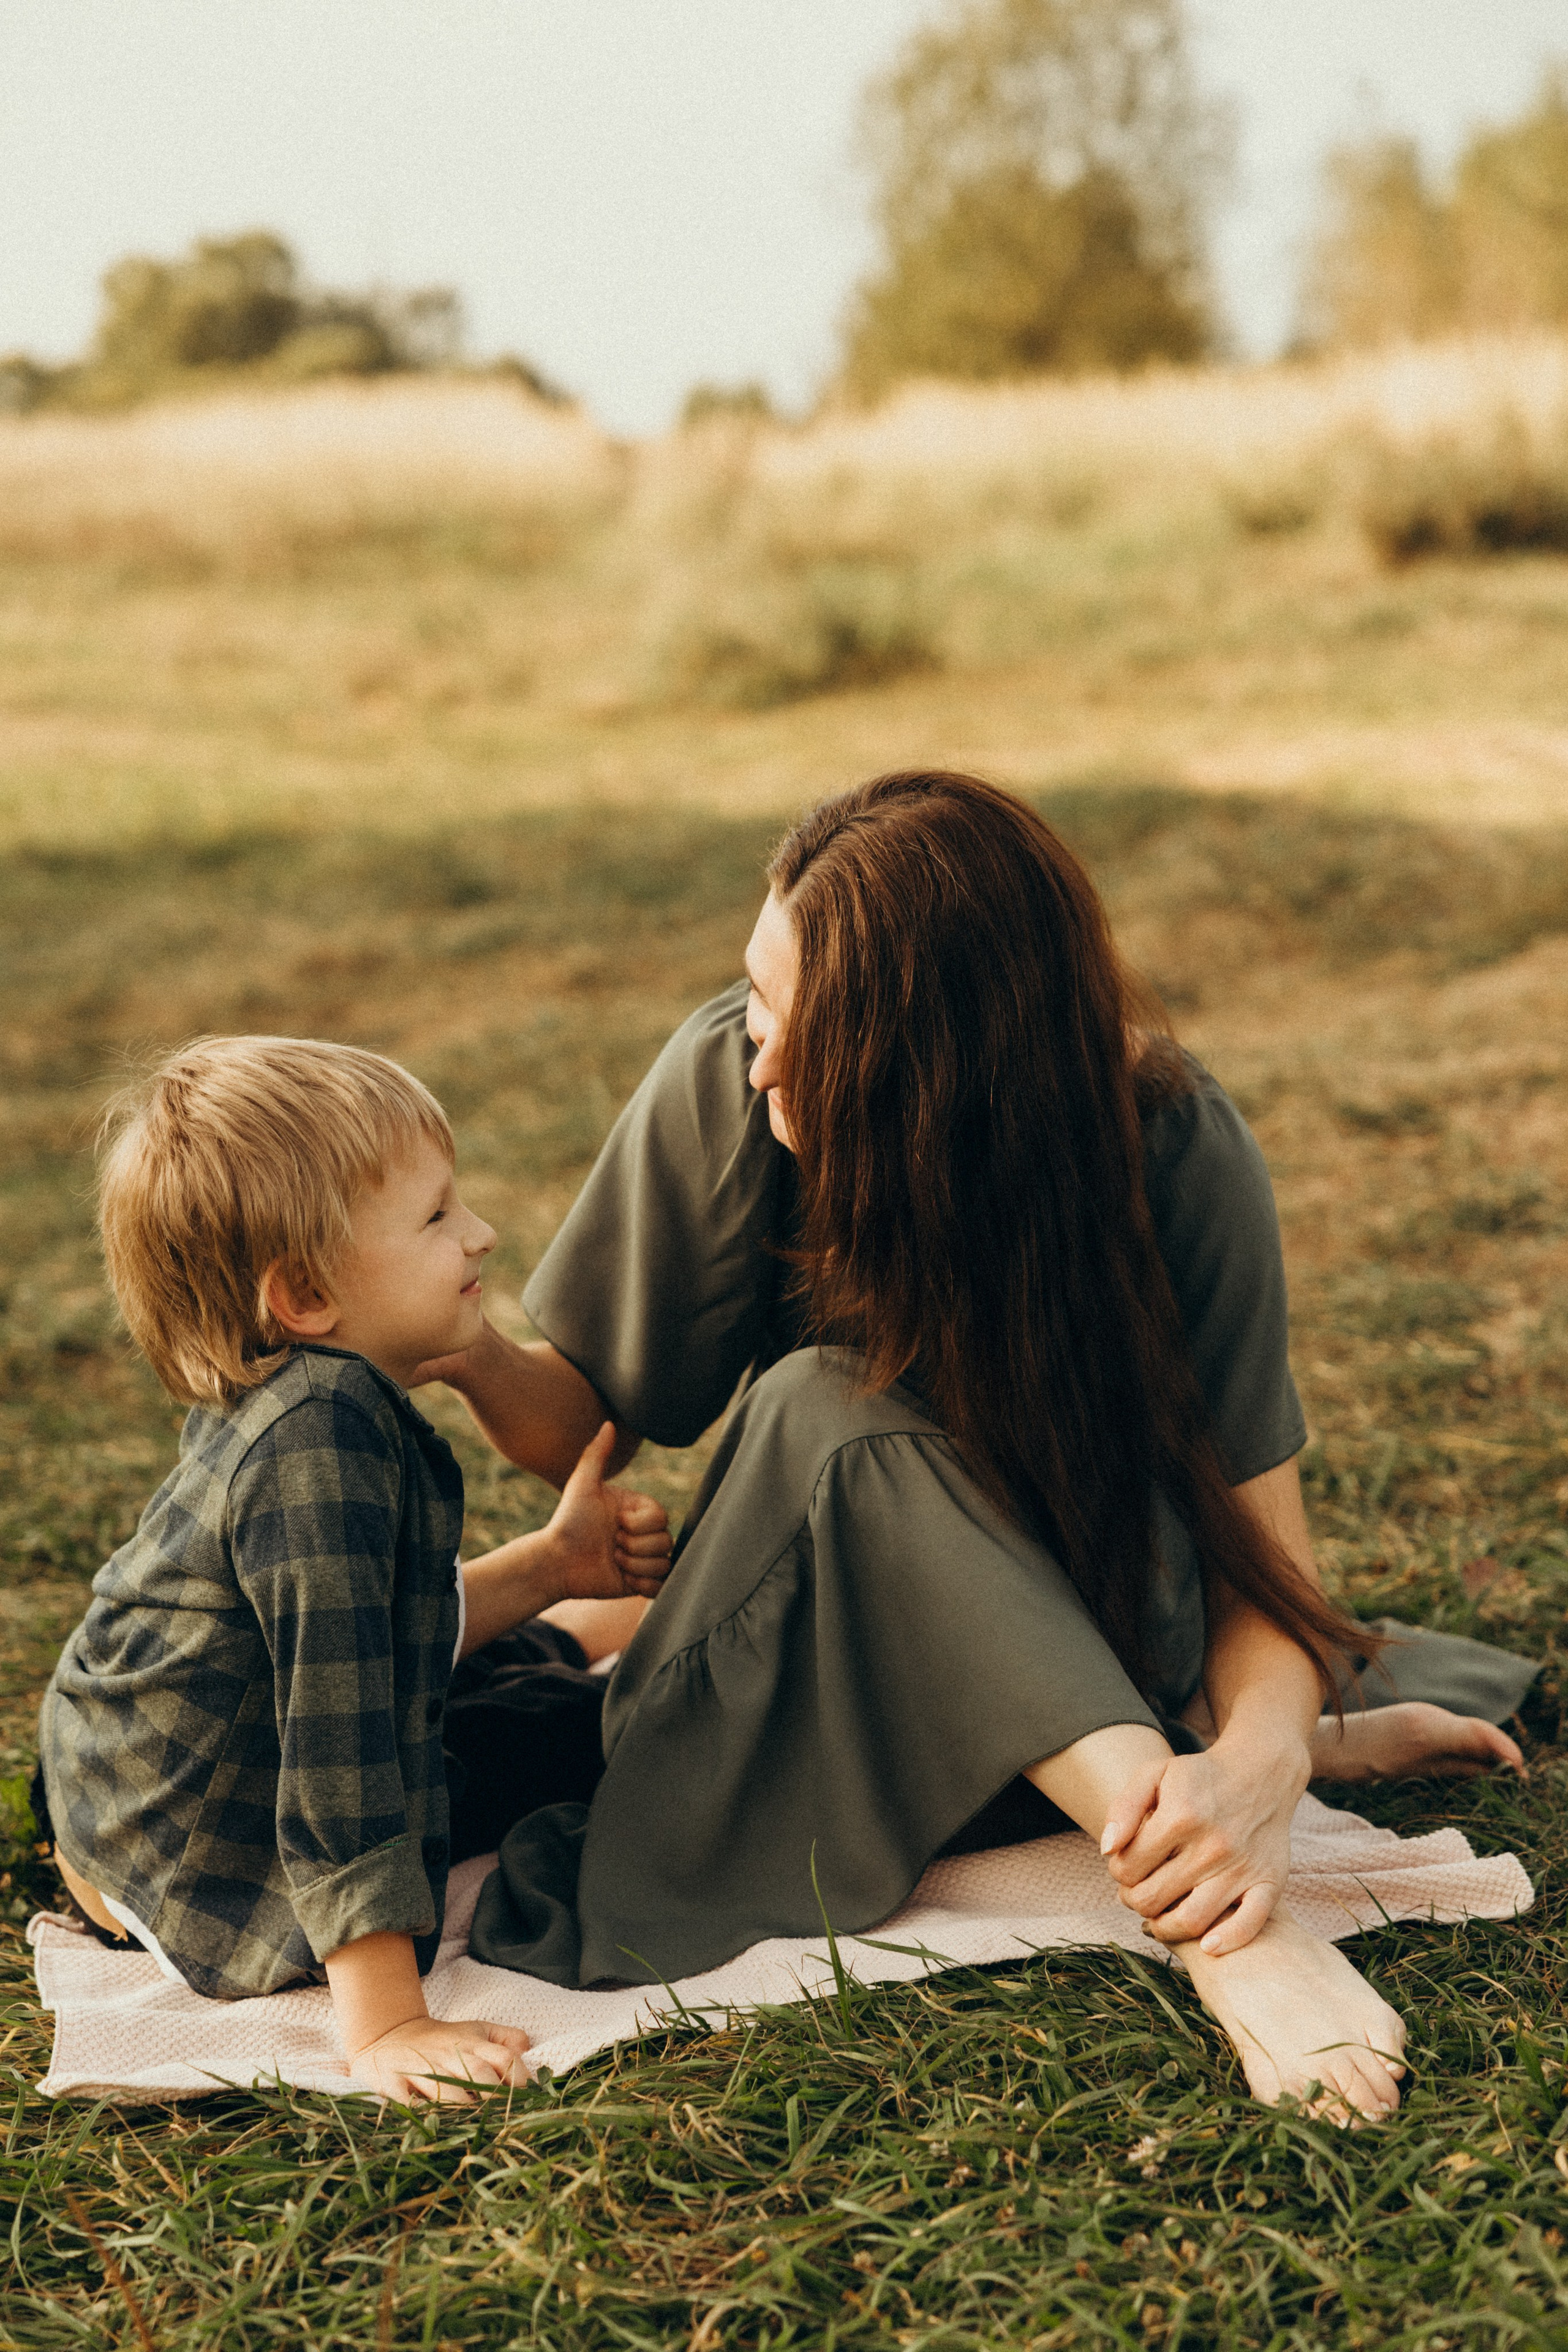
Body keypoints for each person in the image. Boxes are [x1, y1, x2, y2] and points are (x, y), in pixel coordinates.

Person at [426, 771, 1533, 2127]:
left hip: (1090, 1669)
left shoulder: (1170, 1149)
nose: (759, 1053)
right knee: (826, 1407)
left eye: (802, 1026)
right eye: (754, 995)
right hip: (813, 1716)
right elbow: (588, 1422)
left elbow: (1258, 1560)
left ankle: (1182, 1778)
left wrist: (1261, 1765)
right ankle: (1230, 1938)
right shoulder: (732, 1089)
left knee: (1214, 1664)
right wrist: (468, 1351)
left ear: (944, 1057)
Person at [36, 1036, 671, 2104]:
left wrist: (557, 1565)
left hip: (132, 1802)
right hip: (203, 1846)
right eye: (435, 1218)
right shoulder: (315, 1443)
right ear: (305, 1294)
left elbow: (368, 1632)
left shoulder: (311, 1398)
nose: (481, 1232)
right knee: (599, 1751)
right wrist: (386, 2024)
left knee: (548, 1702)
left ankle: (582, 1639)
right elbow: (338, 1741)